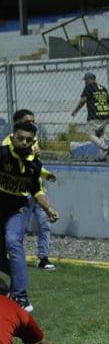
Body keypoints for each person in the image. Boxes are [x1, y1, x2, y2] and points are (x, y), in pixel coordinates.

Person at [0, 122, 60, 312]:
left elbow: (35, 190)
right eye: (20, 138)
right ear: (13, 137)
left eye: (29, 140)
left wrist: (49, 208)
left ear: (34, 141)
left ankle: (20, 297)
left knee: (13, 241)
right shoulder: (1, 154)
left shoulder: (34, 163)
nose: (24, 143)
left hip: (17, 210)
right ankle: (11, 285)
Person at [2, 110, 57, 271]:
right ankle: (10, 262)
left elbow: (34, 165)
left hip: (36, 189)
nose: (32, 124)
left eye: (33, 121)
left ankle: (43, 258)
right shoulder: (8, 145)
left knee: (44, 224)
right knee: (15, 233)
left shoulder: (31, 139)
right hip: (19, 195)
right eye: (28, 121)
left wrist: (45, 174)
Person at [71, 72, 109, 162]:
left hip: (94, 116)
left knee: (91, 135)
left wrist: (75, 111)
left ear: (89, 80)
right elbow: (107, 102)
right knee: (100, 136)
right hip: (105, 115)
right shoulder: (103, 89)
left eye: (85, 80)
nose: (84, 82)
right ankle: (102, 157)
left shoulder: (89, 87)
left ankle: (105, 148)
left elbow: (83, 101)